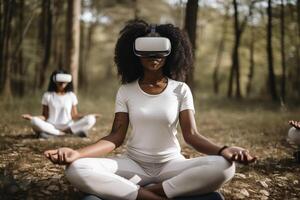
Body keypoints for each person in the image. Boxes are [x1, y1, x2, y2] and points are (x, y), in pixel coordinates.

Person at [44, 20, 257, 200]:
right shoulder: (126, 91)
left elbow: (191, 135)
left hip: (171, 165)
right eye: (146, 50)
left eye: (159, 50)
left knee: (225, 166)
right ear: (135, 53)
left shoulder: (180, 89)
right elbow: (116, 136)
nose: (153, 55)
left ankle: (143, 193)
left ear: (171, 51)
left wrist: (223, 150)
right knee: (76, 169)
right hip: (133, 164)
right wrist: (77, 154)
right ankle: (156, 195)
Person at [22, 69, 99, 138]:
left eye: (64, 81)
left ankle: (58, 133)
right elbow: (45, 116)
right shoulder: (47, 95)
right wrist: (32, 117)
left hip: (68, 127)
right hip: (51, 126)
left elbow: (74, 115)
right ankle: (61, 133)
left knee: (91, 119)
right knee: (34, 121)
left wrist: (88, 116)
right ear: (54, 81)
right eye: (60, 81)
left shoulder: (71, 95)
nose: (62, 83)